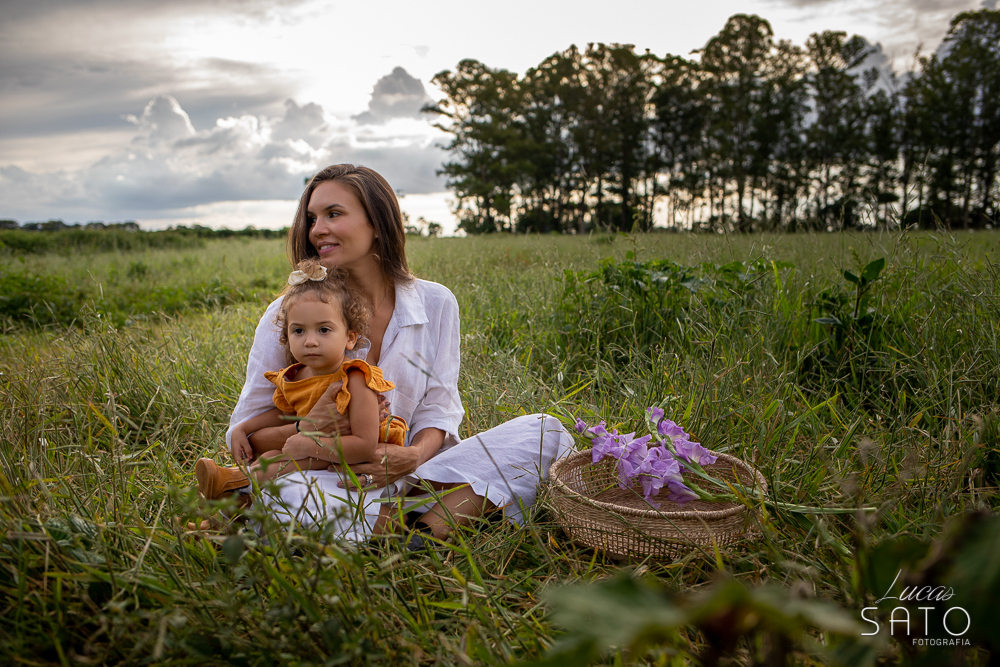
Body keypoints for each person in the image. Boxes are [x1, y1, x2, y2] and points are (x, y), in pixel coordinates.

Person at [226, 164, 575, 543]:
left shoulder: (436, 302)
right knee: (284, 490)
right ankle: (428, 525)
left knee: (545, 433)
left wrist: (414, 456)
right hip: (329, 476)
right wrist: (309, 429)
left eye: (333, 214)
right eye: (312, 218)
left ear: (377, 222)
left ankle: (407, 527)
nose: (316, 230)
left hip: (415, 472)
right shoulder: (290, 314)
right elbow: (246, 438)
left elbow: (439, 408)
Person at [194, 260, 407, 500]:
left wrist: (309, 446)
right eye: (298, 331)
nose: (310, 341)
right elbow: (284, 414)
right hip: (319, 447)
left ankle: (234, 486)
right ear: (286, 337)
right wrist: (244, 428)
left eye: (324, 330)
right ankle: (229, 497)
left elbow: (365, 446)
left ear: (350, 338)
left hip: (360, 458)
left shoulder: (355, 378)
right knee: (268, 457)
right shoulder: (297, 375)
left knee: (276, 465)